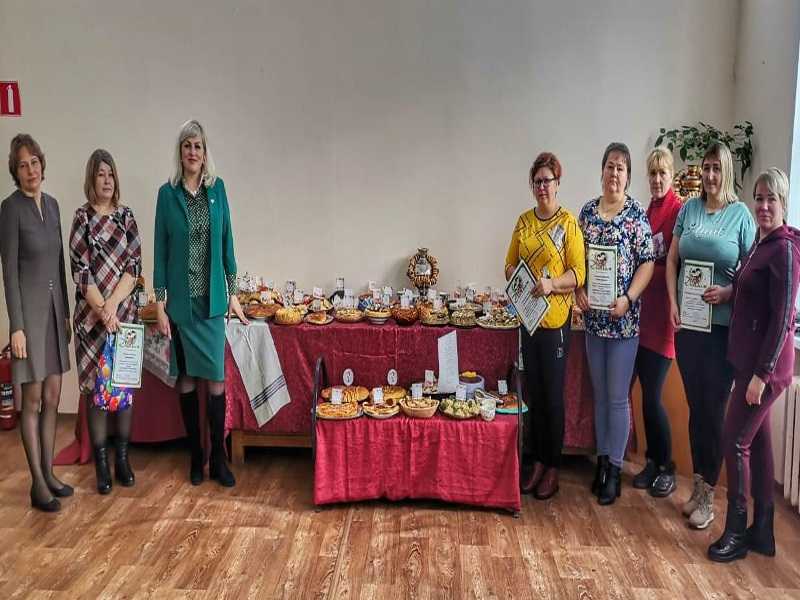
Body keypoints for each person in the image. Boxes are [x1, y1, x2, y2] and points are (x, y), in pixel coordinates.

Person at [708, 168, 800, 562]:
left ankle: (736, 531)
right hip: (748, 363)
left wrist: (762, 375)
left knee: (734, 440)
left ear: (783, 203)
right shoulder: (762, 244)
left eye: (771, 199)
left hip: (765, 369)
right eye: (759, 198)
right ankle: (762, 531)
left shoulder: (785, 251)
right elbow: (750, 290)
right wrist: (728, 292)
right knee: (758, 444)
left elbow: (783, 318)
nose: (763, 206)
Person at [666, 142, 756, 529]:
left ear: (727, 172)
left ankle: (709, 497)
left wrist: (729, 292)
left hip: (722, 333)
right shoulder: (689, 209)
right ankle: (699, 486)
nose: (710, 175)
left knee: (713, 410)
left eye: (717, 168)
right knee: (695, 407)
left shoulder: (741, 216)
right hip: (689, 329)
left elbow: (752, 274)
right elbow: (673, 259)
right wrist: (673, 301)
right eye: (706, 168)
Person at [153, 119, 248, 487]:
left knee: (216, 379)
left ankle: (219, 459)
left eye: (198, 146)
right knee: (187, 378)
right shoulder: (167, 194)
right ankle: (196, 455)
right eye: (187, 146)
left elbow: (228, 243)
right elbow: (160, 250)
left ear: (205, 153)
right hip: (181, 304)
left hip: (212, 302)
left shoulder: (217, 189)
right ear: (180, 153)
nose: (192, 152)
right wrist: (160, 302)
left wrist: (233, 293)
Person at [576, 142, 655, 506]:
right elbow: (575, 262)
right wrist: (578, 291)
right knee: (599, 395)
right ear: (602, 170)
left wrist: (629, 298)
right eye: (610, 166)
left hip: (623, 322)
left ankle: (616, 469)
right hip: (594, 323)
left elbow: (647, 262)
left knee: (617, 397)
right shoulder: (587, 213)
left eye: (621, 167)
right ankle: (602, 461)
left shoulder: (636, 214)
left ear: (628, 175)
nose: (614, 173)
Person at [505, 152, 585, 500]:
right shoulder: (523, 222)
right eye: (537, 181)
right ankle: (536, 461)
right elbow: (508, 264)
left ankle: (552, 466)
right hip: (528, 320)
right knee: (534, 394)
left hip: (554, 323)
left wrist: (551, 285)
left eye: (547, 181)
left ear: (557, 183)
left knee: (552, 396)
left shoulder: (568, 223)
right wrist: (518, 277)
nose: (542, 187)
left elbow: (578, 273)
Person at [0, 134, 72, 511]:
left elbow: (60, 265)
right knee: (31, 398)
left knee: (52, 395)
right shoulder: (10, 208)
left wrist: (66, 313)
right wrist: (16, 326)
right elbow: (9, 271)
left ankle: (49, 472)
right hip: (28, 319)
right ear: (16, 172)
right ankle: (37, 484)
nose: (31, 170)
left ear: (42, 164)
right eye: (23, 165)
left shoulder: (55, 206)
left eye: (34, 162)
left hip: (54, 314)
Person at [69, 149, 142, 494]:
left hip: (122, 317)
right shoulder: (81, 218)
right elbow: (81, 273)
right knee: (94, 390)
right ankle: (101, 463)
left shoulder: (126, 216)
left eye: (110, 174)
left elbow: (134, 267)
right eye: (100, 174)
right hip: (90, 321)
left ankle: (122, 459)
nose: (107, 180)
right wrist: (102, 310)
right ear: (91, 179)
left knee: (123, 386)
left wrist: (112, 306)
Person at [630, 147, 682, 497]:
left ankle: (667, 466)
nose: (657, 179)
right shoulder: (647, 211)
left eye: (663, 173)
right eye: (652, 173)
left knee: (651, 396)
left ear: (672, 175)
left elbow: (675, 263)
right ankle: (651, 460)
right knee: (642, 396)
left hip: (664, 319)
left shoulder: (679, 210)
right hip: (642, 316)